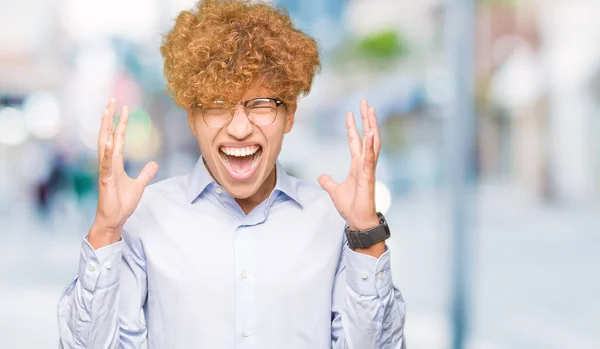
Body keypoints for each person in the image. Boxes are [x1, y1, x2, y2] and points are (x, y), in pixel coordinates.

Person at [57, 0, 406, 348]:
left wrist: (367, 234)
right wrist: (105, 230)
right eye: (218, 106)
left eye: (261, 104)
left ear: (290, 116)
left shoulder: (334, 222)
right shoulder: (144, 216)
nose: (240, 128)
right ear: (192, 118)